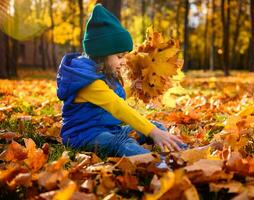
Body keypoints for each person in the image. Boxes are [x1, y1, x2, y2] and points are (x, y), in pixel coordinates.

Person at [56, 4, 185, 157]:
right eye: (119, 56)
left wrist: (131, 89)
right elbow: (117, 106)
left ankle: (182, 152)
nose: (124, 61)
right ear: (102, 54)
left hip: (107, 129)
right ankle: (157, 164)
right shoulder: (89, 82)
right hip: (83, 135)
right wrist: (154, 132)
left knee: (156, 127)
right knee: (123, 142)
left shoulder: (101, 72)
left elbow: (110, 96)